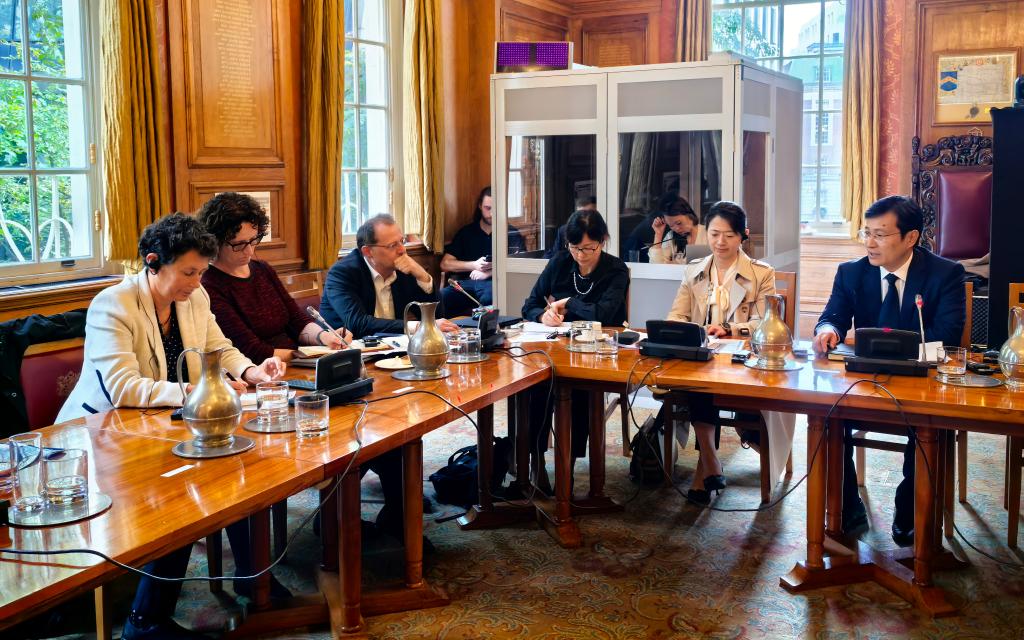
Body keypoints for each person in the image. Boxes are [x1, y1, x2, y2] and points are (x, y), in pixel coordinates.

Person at [56, 213, 286, 639]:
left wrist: (252, 371)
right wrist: (198, 391)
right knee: (179, 499)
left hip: (162, 425)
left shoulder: (194, 297)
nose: (197, 282)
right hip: (100, 436)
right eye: (188, 272)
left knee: (241, 472)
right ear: (153, 262)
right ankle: (146, 621)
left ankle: (254, 580)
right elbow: (123, 387)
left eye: (201, 272)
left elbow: (219, 347)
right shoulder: (113, 304)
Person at [812, 195, 966, 546]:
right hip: (866, 381)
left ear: (910, 238)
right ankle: (845, 505)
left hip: (921, 382)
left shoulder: (945, 274)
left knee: (927, 426)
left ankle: (910, 506)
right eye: (866, 232)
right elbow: (833, 315)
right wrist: (828, 329)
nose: (869, 242)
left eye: (880, 234)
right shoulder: (851, 272)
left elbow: (947, 334)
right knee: (825, 415)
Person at [662, 201, 783, 504]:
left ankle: (706, 466)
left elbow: (765, 322)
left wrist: (729, 329)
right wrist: (690, 332)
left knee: (705, 384)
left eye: (729, 235)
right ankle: (710, 461)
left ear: (743, 235)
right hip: (703, 354)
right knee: (699, 378)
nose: (720, 242)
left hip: (742, 359)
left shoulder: (761, 273)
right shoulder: (694, 271)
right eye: (714, 234)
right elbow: (676, 315)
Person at [522, 209, 629, 488]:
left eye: (588, 248)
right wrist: (542, 316)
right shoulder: (560, 262)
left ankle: (567, 466)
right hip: (556, 348)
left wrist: (569, 303)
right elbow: (530, 304)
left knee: (579, 391)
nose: (581, 255)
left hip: (598, 354)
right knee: (535, 385)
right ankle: (535, 459)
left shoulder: (616, 270)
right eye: (575, 248)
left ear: (602, 241)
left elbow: (604, 314)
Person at [197, 192, 350, 362]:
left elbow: (297, 320)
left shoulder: (262, 269)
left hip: (295, 361)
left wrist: (325, 337)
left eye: (253, 240)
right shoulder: (209, 285)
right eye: (239, 245)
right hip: (264, 368)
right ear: (216, 242)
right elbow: (250, 351)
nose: (249, 251)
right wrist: (307, 355)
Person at [320, 214, 459, 338]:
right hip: (346, 351)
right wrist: (418, 326)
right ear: (368, 251)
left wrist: (423, 277)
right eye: (393, 245)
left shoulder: (403, 269)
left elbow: (436, 318)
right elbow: (358, 324)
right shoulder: (342, 273)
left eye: (402, 241)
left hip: (392, 348)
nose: (402, 250)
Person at [439, 187, 504, 317]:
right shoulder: (466, 233)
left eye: (495, 209)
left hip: (495, 283)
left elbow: (517, 265)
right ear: (480, 206)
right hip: (466, 284)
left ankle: (484, 329)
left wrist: (489, 272)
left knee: (489, 298)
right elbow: (445, 264)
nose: (491, 214)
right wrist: (474, 265)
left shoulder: (510, 233)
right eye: (488, 208)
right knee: (441, 298)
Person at [648, 197, 707, 264]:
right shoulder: (671, 236)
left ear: (689, 215)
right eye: (671, 226)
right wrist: (658, 235)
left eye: (679, 223)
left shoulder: (708, 233)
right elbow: (656, 265)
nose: (676, 229)